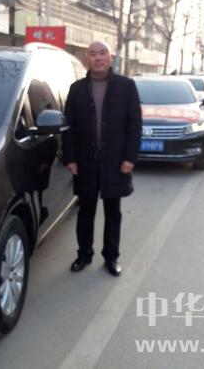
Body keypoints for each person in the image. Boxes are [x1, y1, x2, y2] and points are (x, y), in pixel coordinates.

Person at [62, 41, 142, 277]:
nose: (98, 58)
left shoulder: (126, 86)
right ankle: (84, 255)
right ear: (87, 59)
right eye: (93, 54)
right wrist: (70, 158)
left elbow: (135, 125)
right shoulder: (77, 89)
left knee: (113, 212)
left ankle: (111, 257)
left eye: (102, 53)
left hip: (115, 162)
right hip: (85, 162)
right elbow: (67, 127)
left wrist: (130, 157)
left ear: (110, 57)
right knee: (85, 211)